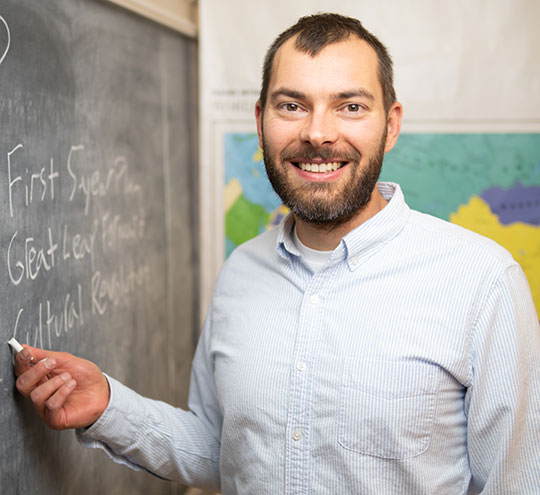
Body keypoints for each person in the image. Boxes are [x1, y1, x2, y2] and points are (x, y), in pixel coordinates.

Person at [14, 13, 540, 494]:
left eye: (350, 106)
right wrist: (107, 404)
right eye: (292, 106)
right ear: (262, 119)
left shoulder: (481, 281)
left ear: (392, 124)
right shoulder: (241, 272)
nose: (317, 133)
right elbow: (223, 450)